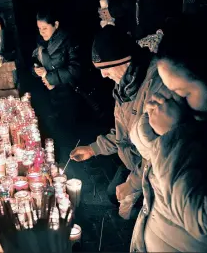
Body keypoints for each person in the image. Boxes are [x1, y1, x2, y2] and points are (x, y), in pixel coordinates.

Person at [129, 15, 207, 252]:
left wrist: (172, 133)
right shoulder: (197, 118)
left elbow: (205, 219)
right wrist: (152, 128)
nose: (175, 101)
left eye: (184, 92)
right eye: (169, 91)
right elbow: (158, 167)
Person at [70, 25, 163, 209]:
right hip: (132, 160)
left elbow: (158, 153)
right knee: (113, 194)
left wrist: (133, 184)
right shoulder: (126, 84)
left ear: (125, 60)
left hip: (153, 171)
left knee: (120, 199)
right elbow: (124, 133)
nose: (104, 75)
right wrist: (92, 149)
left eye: (106, 68)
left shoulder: (153, 87)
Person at [32, 9, 81, 126]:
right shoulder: (41, 42)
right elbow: (35, 61)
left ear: (56, 24)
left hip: (69, 95)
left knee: (69, 127)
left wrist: (48, 77)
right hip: (51, 95)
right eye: (39, 28)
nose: (41, 32)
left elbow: (75, 69)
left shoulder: (68, 41)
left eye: (45, 28)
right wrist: (36, 70)